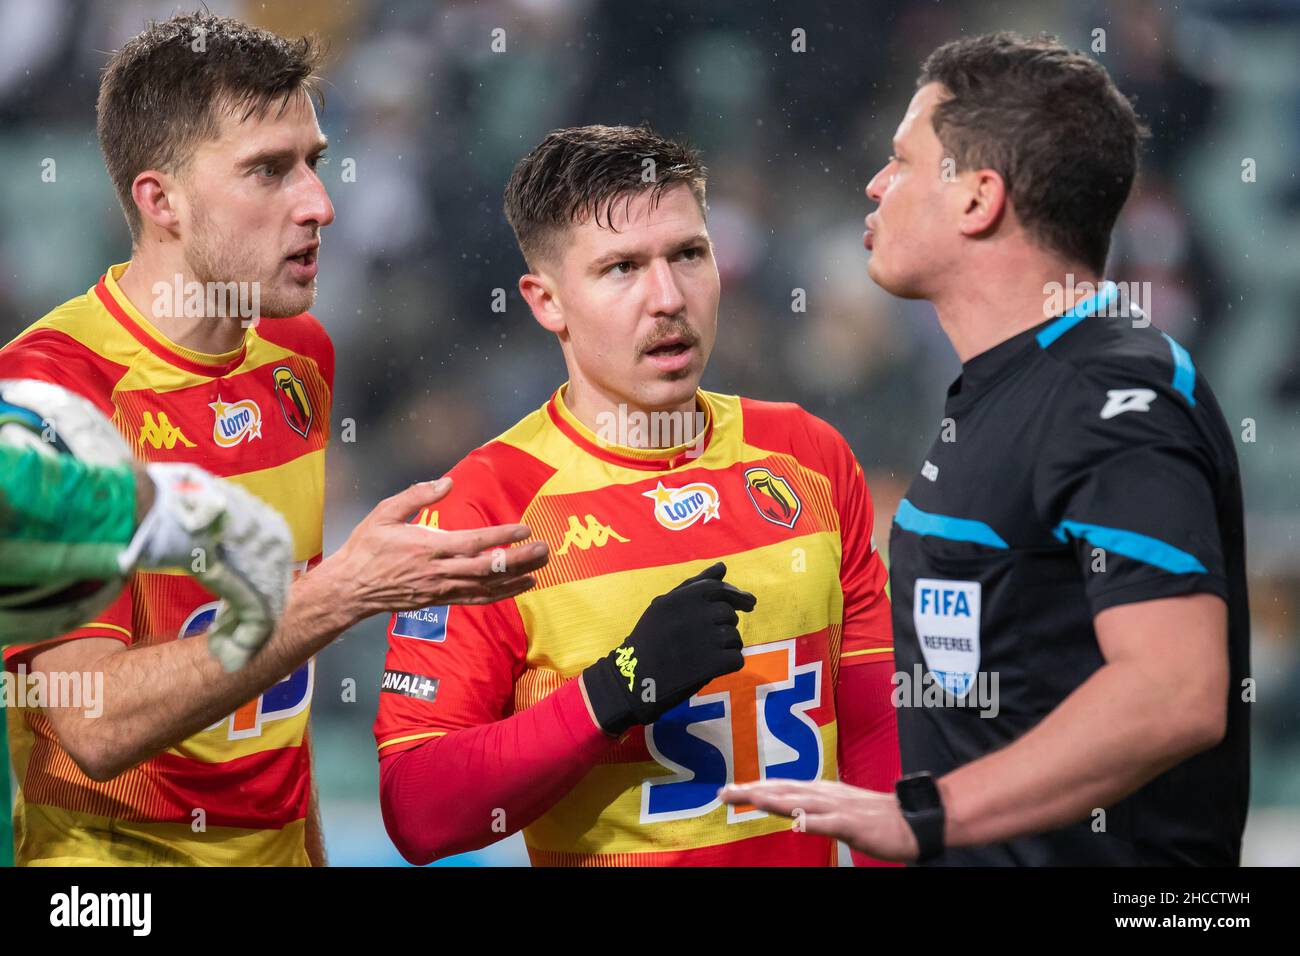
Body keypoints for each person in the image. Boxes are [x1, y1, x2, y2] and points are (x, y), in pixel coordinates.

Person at [0, 12, 547, 867]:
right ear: (160, 200)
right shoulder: (51, 399)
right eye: (268, 171)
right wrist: (344, 594)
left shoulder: (299, 356)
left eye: (315, 164)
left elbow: (276, 713)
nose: (320, 204)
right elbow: (94, 724)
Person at [721, 32, 1250, 866]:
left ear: (978, 199)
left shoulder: (1113, 399)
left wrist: (925, 817)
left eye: (900, 161)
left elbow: (1175, 693)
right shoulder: (1016, 380)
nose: (876, 185)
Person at [374, 124, 899, 867]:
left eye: (689, 254)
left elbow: (877, 737)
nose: (668, 297)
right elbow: (420, 813)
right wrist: (611, 692)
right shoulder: (483, 511)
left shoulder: (808, 456)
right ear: (546, 301)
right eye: (621, 268)